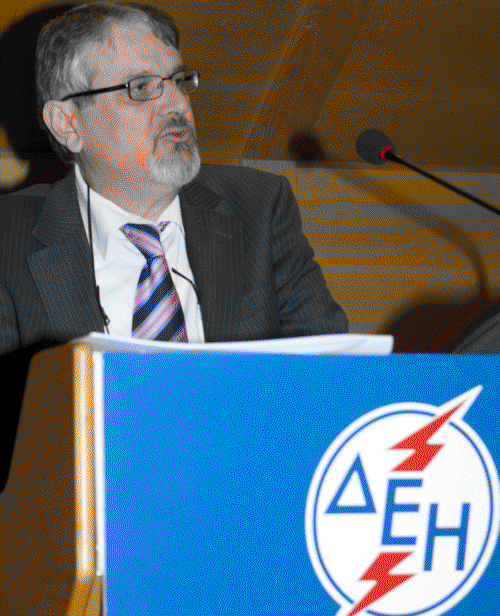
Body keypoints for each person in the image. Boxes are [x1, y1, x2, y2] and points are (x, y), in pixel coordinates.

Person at [0, 0, 347, 358]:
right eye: (140, 87)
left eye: (179, 81)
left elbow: (331, 371)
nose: (179, 104)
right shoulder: (7, 239)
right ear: (67, 124)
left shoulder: (259, 206)